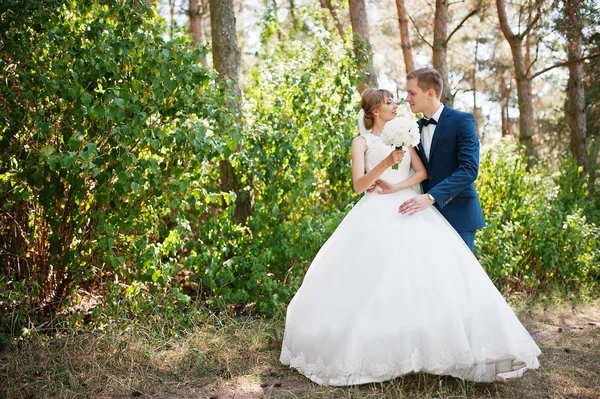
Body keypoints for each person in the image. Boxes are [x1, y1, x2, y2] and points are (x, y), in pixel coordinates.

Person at [279, 88, 540, 386]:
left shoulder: (405, 135)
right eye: (389, 102)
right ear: (376, 110)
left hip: (408, 205)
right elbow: (358, 185)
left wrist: (398, 186)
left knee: (426, 277)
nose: (395, 105)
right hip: (374, 212)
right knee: (373, 281)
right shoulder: (360, 142)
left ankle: (432, 349)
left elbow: (420, 173)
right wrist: (385, 164)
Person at [391, 68, 485, 251]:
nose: (407, 98)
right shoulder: (412, 129)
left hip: (459, 214)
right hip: (425, 216)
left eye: (412, 93)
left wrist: (432, 196)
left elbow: (469, 169)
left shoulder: (462, 121)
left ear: (430, 93)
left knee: (461, 276)